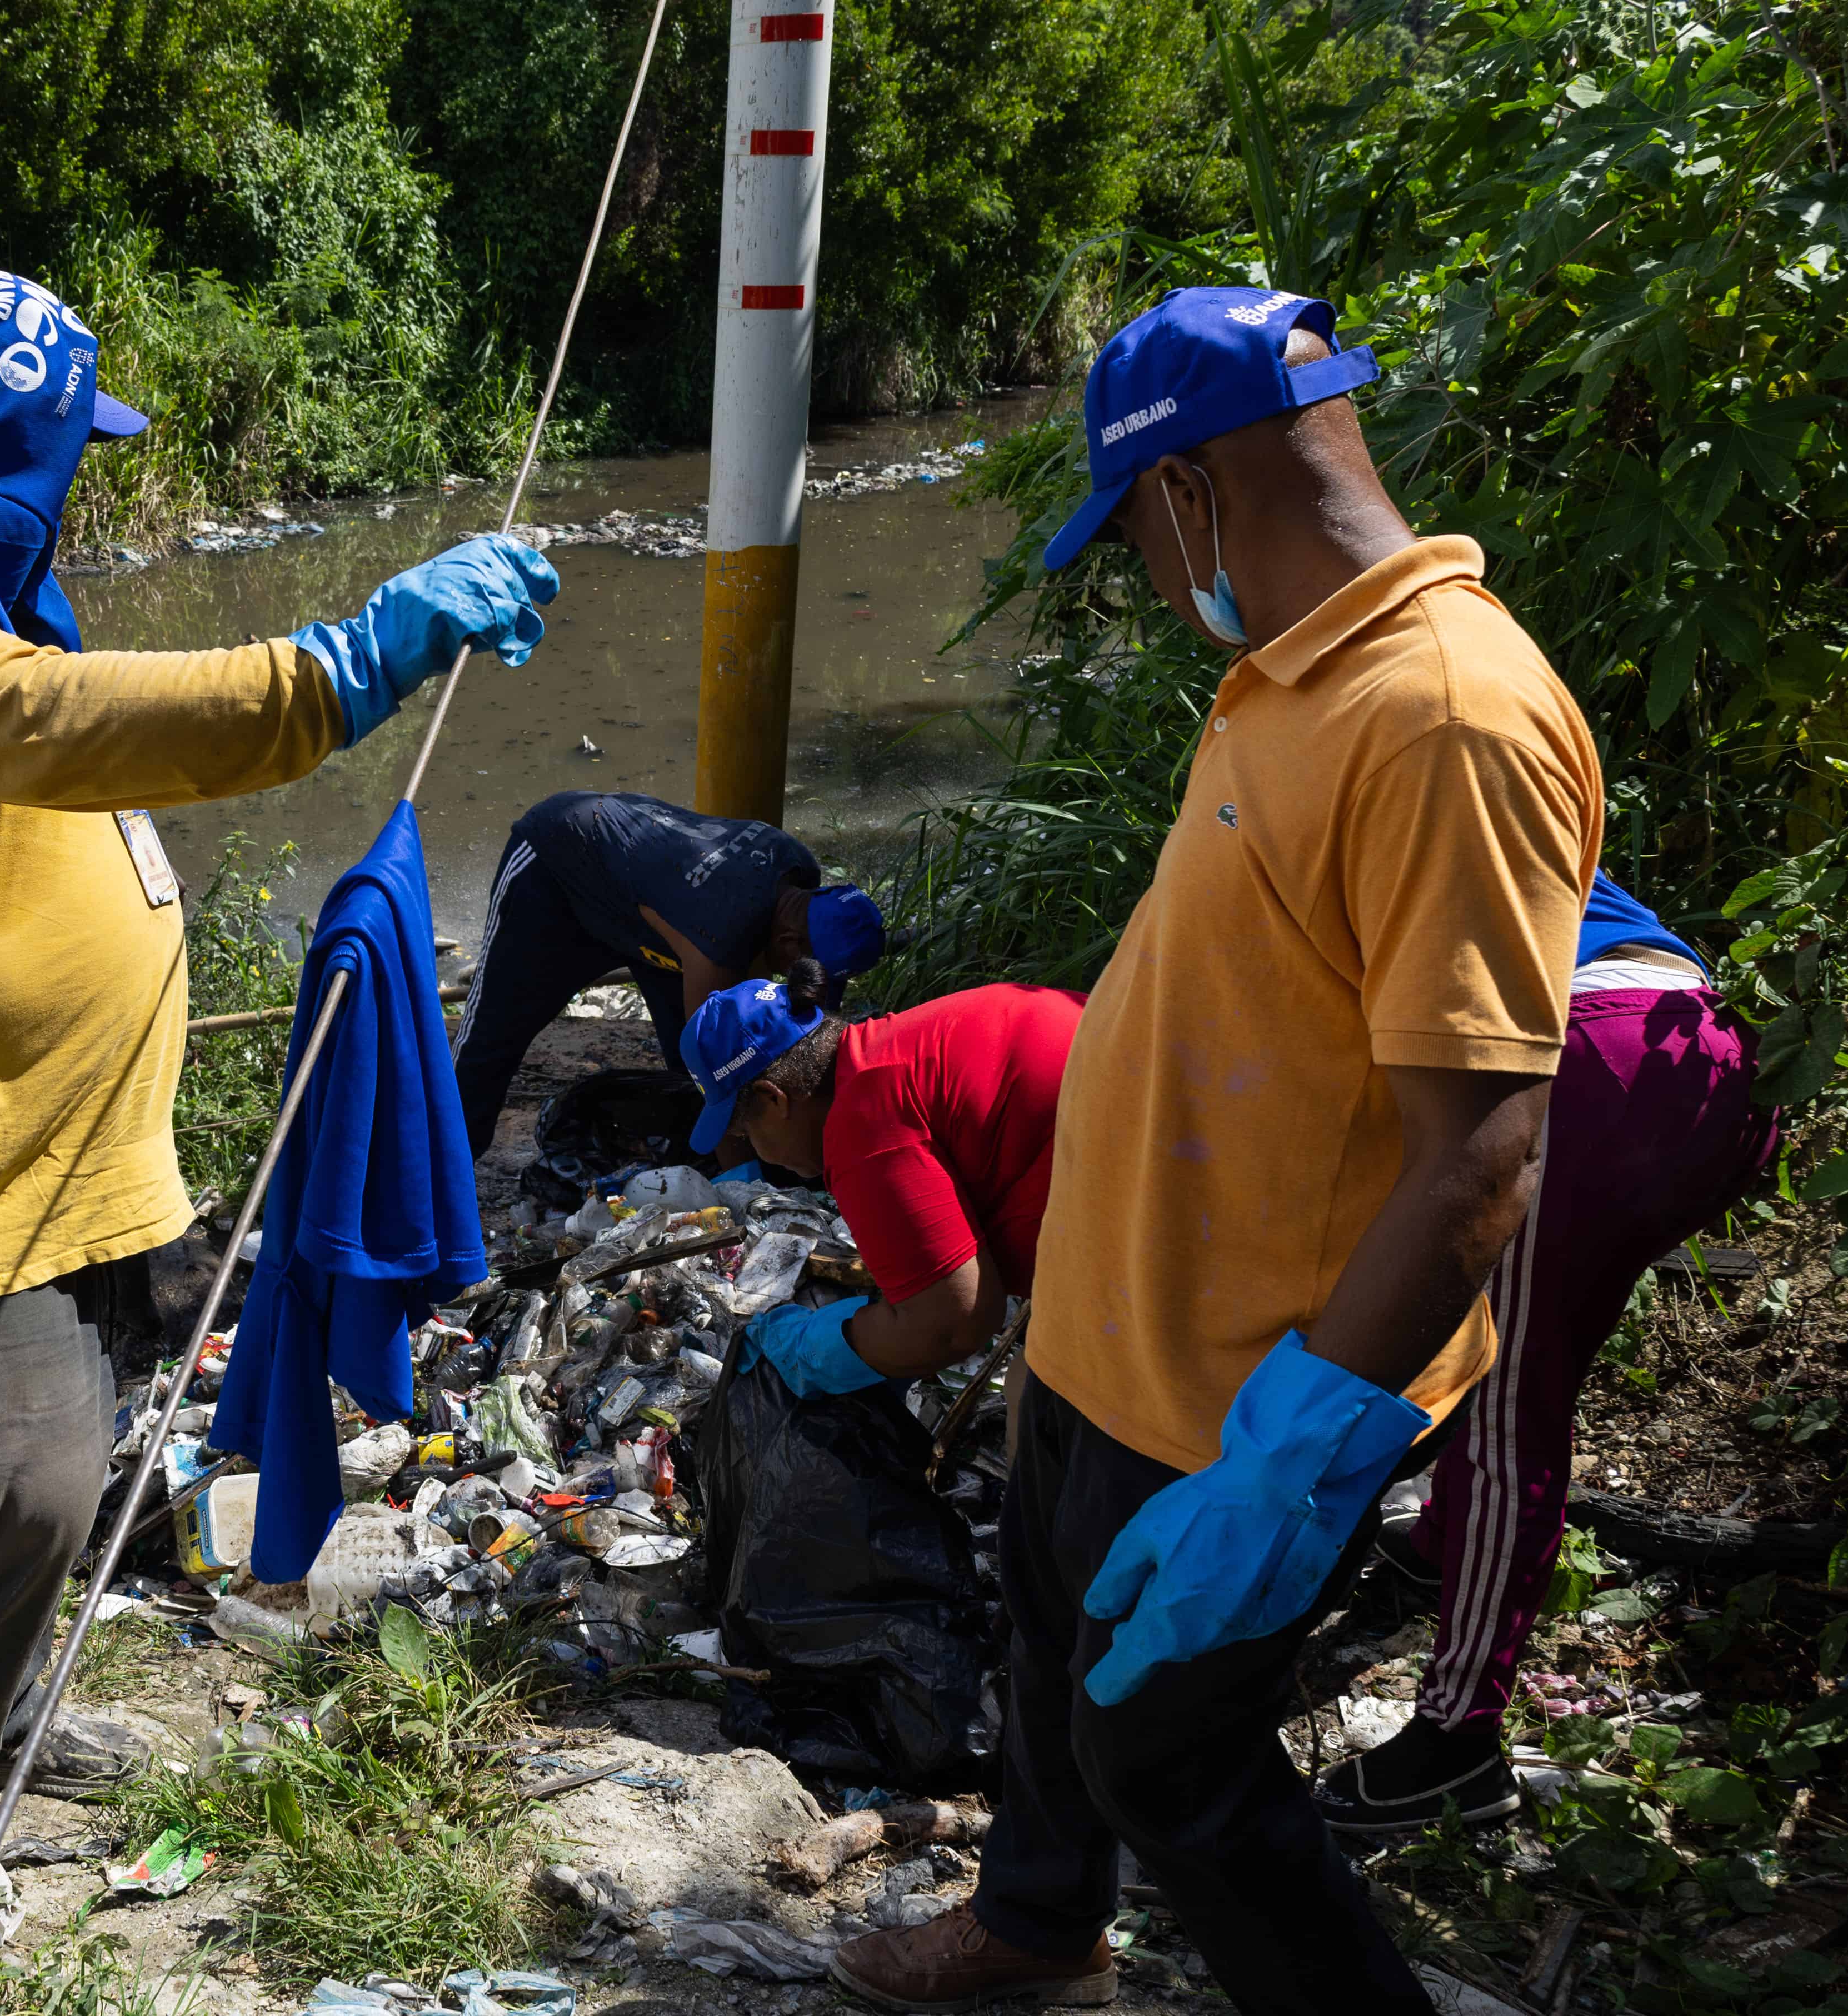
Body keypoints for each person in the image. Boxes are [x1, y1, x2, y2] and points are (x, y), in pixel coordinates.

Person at [0, 264, 559, 1926]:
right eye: (59, 453)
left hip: (36, 1165)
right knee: (2, 1499)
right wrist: (343, 663)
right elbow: (39, 725)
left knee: (48, 1471)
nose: (72, 488)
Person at [831, 286, 1602, 2011]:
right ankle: (1036, 1932)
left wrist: (1285, 1463)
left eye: (1135, 533)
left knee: (1164, 1761)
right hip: (1112, 1328)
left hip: (1235, 1386)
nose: (1146, 571)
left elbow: (1479, 1155)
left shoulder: (1444, 719)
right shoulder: (1292, 674)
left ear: (1184, 492)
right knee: (1048, 1650)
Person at [1313, 871, 1777, 1832]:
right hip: (1710, 1049)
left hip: (1586, 1067)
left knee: (1506, 1405)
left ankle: (1456, 1742)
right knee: (1541, 1330)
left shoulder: (1316, 837)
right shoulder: (1477, 784)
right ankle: (1445, 1545)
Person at [676, 967, 1083, 1382]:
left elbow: (953, 1325)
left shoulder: (866, 1123)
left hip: (1137, 1210)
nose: (757, 1149)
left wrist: (811, 1349)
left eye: (746, 1132)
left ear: (773, 1100)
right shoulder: (903, 1043)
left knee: (1037, 1405)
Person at [452, 789, 891, 1156]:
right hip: (556, 873)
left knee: (689, 1068)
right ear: (790, 944)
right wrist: (750, 1183)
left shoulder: (799, 875)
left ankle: (704, 1161)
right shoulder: (724, 930)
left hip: (656, 917)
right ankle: (439, 1185)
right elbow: (722, 1065)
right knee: (490, 1042)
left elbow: (814, 1036)